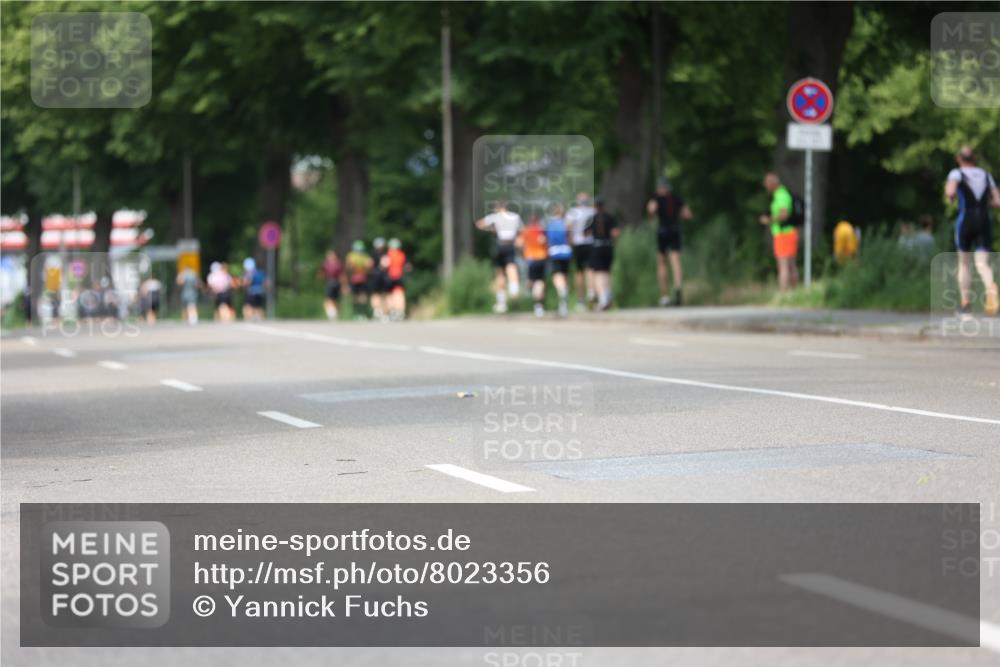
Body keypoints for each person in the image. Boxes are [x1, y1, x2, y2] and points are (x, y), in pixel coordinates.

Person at [945, 146, 1000, 318]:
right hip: (984, 219)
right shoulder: (986, 175)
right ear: (973, 159)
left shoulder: (956, 173)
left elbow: (951, 192)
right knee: (982, 263)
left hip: (966, 219)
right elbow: (997, 201)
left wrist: (951, 198)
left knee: (964, 263)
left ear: (959, 159)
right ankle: (991, 287)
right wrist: (986, 205)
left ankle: (965, 303)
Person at [646, 178, 693, 306]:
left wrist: (652, 212)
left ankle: (665, 295)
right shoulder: (677, 198)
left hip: (663, 231)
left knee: (662, 262)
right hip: (675, 229)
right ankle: (678, 287)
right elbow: (688, 215)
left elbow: (650, 211)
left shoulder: (656, 198)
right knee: (676, 260)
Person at [475, 199, 524, 313]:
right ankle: (514, 291)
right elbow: (522, 230)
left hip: (501, 244)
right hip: (511, 244)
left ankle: (501, 303)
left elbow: (479, 224)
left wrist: (493, 229)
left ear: (497, 207)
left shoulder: (495, 217)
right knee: (512, 268)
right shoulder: (515, 216)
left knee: (500, 273)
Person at [759, 172, 799, 292]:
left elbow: (783, 215)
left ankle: (783, 294)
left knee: (783, 266)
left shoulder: (781, 195)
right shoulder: (781, 194)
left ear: (772, 184)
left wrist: (769, 220)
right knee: (791, 265)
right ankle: (794, 293)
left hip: (784, 234)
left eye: (766, 183)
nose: (765, 186)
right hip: (788, 233)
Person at [565, 192, 596, 310]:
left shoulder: (572, 212)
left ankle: (581, 300)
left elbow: (568, 228)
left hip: (578, 244)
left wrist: (570, 242)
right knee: (590, 270)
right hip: (590, 243)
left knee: (579, 272)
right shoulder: (592, 211)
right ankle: (591, 293)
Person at [588, 197, 620, 311]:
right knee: (607, 272)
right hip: (608, 246)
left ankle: (603, 298)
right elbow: (615, 233)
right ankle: (608, 294)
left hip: (597, 247)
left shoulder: (592, 219)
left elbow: (585, 233)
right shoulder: (610, 217)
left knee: (598, 274)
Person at [545, 203, 573, 317]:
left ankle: (562, 292)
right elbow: (569, 238)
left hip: (554, 251)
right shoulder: (566, 224)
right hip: (566, 251)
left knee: (557, 275)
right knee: (564, 274)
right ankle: (564, 294)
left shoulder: (550, 225)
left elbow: (547, 240)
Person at [520, 215, 549, 317]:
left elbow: (519, 243)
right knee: (540, 282)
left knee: (534, 282)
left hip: (531, 259)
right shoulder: (541, 230)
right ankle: (539, 305)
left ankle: (537, 304)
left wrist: (523, 252)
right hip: (541, 258)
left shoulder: (526, 231)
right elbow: (545, 241)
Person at [345, 240, 374, 319]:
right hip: (363, 278)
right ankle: (362, 313)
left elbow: (348, 268)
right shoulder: (365, 256)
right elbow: (369, 266)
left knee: (355, 297)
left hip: (354, 278)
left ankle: (356, 313)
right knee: (362, 297)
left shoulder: (350, 256)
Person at [386, 238, 409, 321]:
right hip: (400, 276)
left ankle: (392, 311)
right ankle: (400, 311)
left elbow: (384, 265)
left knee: (390, 295)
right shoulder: (401, 254)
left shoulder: (388, 254)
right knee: (399, 294)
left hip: (390, 276)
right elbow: (406, 266)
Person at [318, 249, 343, 320]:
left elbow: (342, 276)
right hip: (333, 282)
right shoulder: (337, 264)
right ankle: (334, 314)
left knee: (332, 299)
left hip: (332, 282)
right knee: (332, 299)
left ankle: (333, 313)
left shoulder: (328, 264)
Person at [369, 237, 390, 322]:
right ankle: (382, 312)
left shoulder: (372, 254)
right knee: (383, 295)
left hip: (376, 276)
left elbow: (369, 264)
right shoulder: (385, 254)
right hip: (383, 276)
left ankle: (378, 311)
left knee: (376, 294)